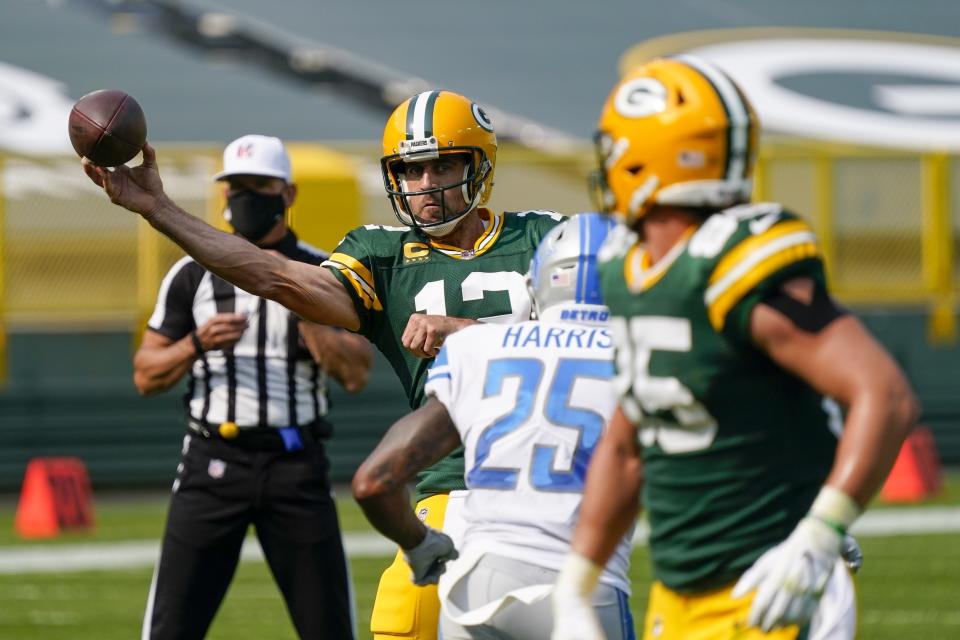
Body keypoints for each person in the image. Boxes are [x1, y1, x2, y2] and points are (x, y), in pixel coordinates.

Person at [80, 91, 564, 640]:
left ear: (480, 165)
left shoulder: (549, 237)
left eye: (442, 166)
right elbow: (273, 276)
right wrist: (157, 208)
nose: (425, 184)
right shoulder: (382, 254)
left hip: (553, 485)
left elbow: (599, 342)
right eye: (411, 170)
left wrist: (467, 334)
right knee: (400, 620)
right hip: (449, 487)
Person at [551, 56, 919, 640]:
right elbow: (627, 441)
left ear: (644, 155)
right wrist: (574, 588)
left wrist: (819, 535)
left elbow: (886, 395)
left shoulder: (737, 258)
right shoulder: (627, 265)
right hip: (678, 590)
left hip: (771, 579)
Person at [133, 134, 373, 640]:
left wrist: (306, 314)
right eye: (234, 187)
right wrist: (195, 344)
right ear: (222, 197)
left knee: (328, 627)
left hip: (296, 465)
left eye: (257, 186)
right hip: (211, 461)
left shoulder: (323, 272)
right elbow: (145, 374)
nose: (243, 198)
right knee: (170, 627)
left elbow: (356, 374)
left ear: (287, 194)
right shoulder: (191, 274)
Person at [352, 213, 636, 640]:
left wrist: (421, 545)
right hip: (582, 585)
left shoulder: (480, 349)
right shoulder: (643, 359)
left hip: (477, 586)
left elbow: (374, 482)